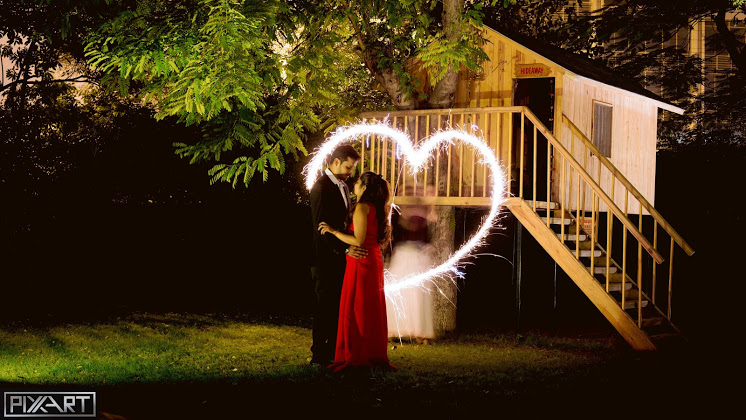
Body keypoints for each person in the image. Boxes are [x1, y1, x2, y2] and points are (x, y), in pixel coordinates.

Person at [319, 171, 395, 372]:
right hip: (371, 258)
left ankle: (358, 353)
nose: (355, 183)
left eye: (359, 181)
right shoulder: (375, 207)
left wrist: (334, 231)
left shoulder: (362, 207)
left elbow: (358, 240)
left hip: (361, 261)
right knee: (369, 307)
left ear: (364, 187)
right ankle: (371, 351)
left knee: (358, 306)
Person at [309, 144, 366, 366]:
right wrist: (344, 249)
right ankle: (319, 354)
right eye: (348, 167)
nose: (351, 172)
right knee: (324, 306)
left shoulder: (343, 185)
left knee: (337, 306)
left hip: (339, 258)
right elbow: (321, 229)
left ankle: (334, 350)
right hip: (324, 259)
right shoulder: (321, 188)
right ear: (335, 162)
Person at [386, 205, 435, 343]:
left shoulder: (422, 216)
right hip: (401, 258)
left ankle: (419, 332)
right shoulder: (397, 215)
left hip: (418, 259)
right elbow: (393, 238)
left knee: (417, 295)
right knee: (400, 294)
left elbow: (425, 237)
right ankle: (393, 330)